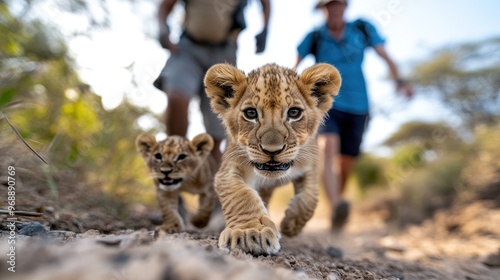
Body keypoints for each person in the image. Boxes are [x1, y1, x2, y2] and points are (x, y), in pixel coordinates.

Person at [294, 0, 413, 231]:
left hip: (359, 105)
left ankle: (338, 206)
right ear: (323, 9)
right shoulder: (315, 36)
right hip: (327, 104)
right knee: (327, 148)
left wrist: (400, 81)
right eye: (330, 5)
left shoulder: (362, 29)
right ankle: (336, 205)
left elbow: (385, 56)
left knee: (346, 163)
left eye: (339, 4)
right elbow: (295, 67)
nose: (335, 9)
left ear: (345, 7)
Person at [156, 0, 271, 162]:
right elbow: (165, 6)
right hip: (188, 48)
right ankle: (176, 157)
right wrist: (162, 27)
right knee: (176, 97)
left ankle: (211, 183)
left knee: (216, 136)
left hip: (224, 53)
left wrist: (265, 29)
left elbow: (265, 3)